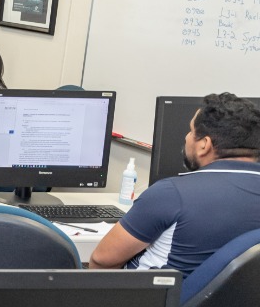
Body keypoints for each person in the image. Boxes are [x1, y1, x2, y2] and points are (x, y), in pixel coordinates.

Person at [89, 92, 260, 274]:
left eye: (191, 131)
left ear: (204, 145)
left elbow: (101, 261)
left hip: (161, 300)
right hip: (232, 302)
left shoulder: (171, 193)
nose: (187, 137)